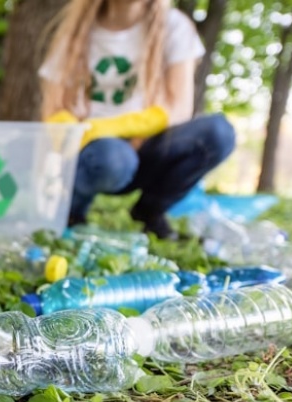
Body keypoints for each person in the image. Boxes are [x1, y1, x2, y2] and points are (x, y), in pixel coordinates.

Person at [39, 0, 236, 240]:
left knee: (218, 132)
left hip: (148, 146)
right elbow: (54, 107)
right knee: (113, 158)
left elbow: (179, 108)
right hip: (95, 154)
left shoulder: (173, 26)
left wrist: (108, 127)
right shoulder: (77, 30)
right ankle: (72, 212)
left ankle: (150, 211)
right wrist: (74, 131)